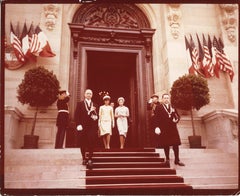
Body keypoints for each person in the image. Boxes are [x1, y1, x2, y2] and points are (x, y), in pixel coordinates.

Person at [153, 93, 185, 166]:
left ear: (169, 99)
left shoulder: (172, 107)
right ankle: (167, 159)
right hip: (164, 128)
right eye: (165, 98)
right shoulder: (159, 107)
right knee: (166, 144)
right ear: (162, 99)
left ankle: (177, 160)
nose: (166, 99)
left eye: (167, 98)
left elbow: (177, 116)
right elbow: (156, 118)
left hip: (173, 128)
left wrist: (176, 120)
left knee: (175, 144)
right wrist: (157, 127)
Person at [74, 89, 98, 169]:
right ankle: (84, 158)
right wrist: (78, 124)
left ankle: (90, 158)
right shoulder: (80, 104)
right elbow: (76, 116)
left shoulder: (94, 104)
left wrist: (95, 116)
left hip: (91, 127)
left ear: (92, 95)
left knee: (91, 142)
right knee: (83, 143)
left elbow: (96, 116)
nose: (89, 95)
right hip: (82, 126)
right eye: (87, 93)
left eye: (90, 94)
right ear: (84, 95)